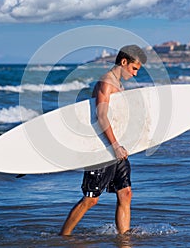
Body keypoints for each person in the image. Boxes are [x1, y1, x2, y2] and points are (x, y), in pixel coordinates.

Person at [60, 45, 147, 236]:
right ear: (124, 62)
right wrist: (115, 146)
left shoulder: (119, 83)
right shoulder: (107, 82)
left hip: (116, 146)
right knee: (91, 199)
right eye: (134, 69)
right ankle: (63, 237)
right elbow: (102, 117)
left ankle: (123, 237)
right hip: (103, 147)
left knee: (125, 193)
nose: (134, 74)